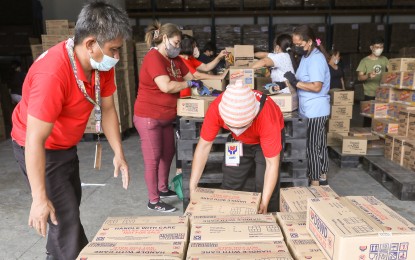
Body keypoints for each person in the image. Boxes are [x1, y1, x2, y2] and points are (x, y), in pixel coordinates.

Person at [11, 1, 131, 259]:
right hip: (39, 148)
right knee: (65, 223)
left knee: (66, 212)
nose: (117, 57)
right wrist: (38, 197)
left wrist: (118, 153)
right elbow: (35, 139)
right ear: (90, 44)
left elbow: (108, 109)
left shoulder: (99, 65)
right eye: (114, 50)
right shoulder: (52, 74)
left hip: (64, 146)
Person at [134, 21, 201, 213]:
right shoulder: (153, 58)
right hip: (149, 117)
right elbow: (166, 86)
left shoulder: (175, 60)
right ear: (165, 39)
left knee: (168, 153)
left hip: (166, 118)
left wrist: (212, 82)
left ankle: (162, 189)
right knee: (153, 159)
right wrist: (190, 85)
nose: (178, 47)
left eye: (180, 44)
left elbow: (194, 76)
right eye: (176, 42)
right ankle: (153, 200)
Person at [189, 80, 284, 213]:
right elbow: (204, 147)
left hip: (264, 142)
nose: (239, 129)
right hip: (236, 141)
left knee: (265, 189)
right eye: (232, 126)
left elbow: (271, 164)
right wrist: (193, 186)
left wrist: (264, 202)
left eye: (242, 126)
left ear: (252, 116)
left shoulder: (266, 117)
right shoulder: (217, 108)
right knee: (230, 183)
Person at [284, 25, 331, 187]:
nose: (296, 47)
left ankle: (315, 181)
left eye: (299, 44)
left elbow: (317, 86)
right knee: (319, 143)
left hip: (316, 110)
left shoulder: (317, 59)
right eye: (294, 44)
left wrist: (296, 82)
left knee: (312, 146)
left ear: (309, 42)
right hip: (309, 109)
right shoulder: (306, 57)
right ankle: (323, 174)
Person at [357, 36, 388, 127]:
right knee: (368, 119)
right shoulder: (364, 61)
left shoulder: (384, 60)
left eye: (381, 47)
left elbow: (392, 72)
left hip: (383, 94)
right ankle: (367, 139)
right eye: (377, 47)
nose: (379, 49)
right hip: (369, 94)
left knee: (381, 118)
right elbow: (359, 77)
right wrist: (368, 75)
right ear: (371, 48)